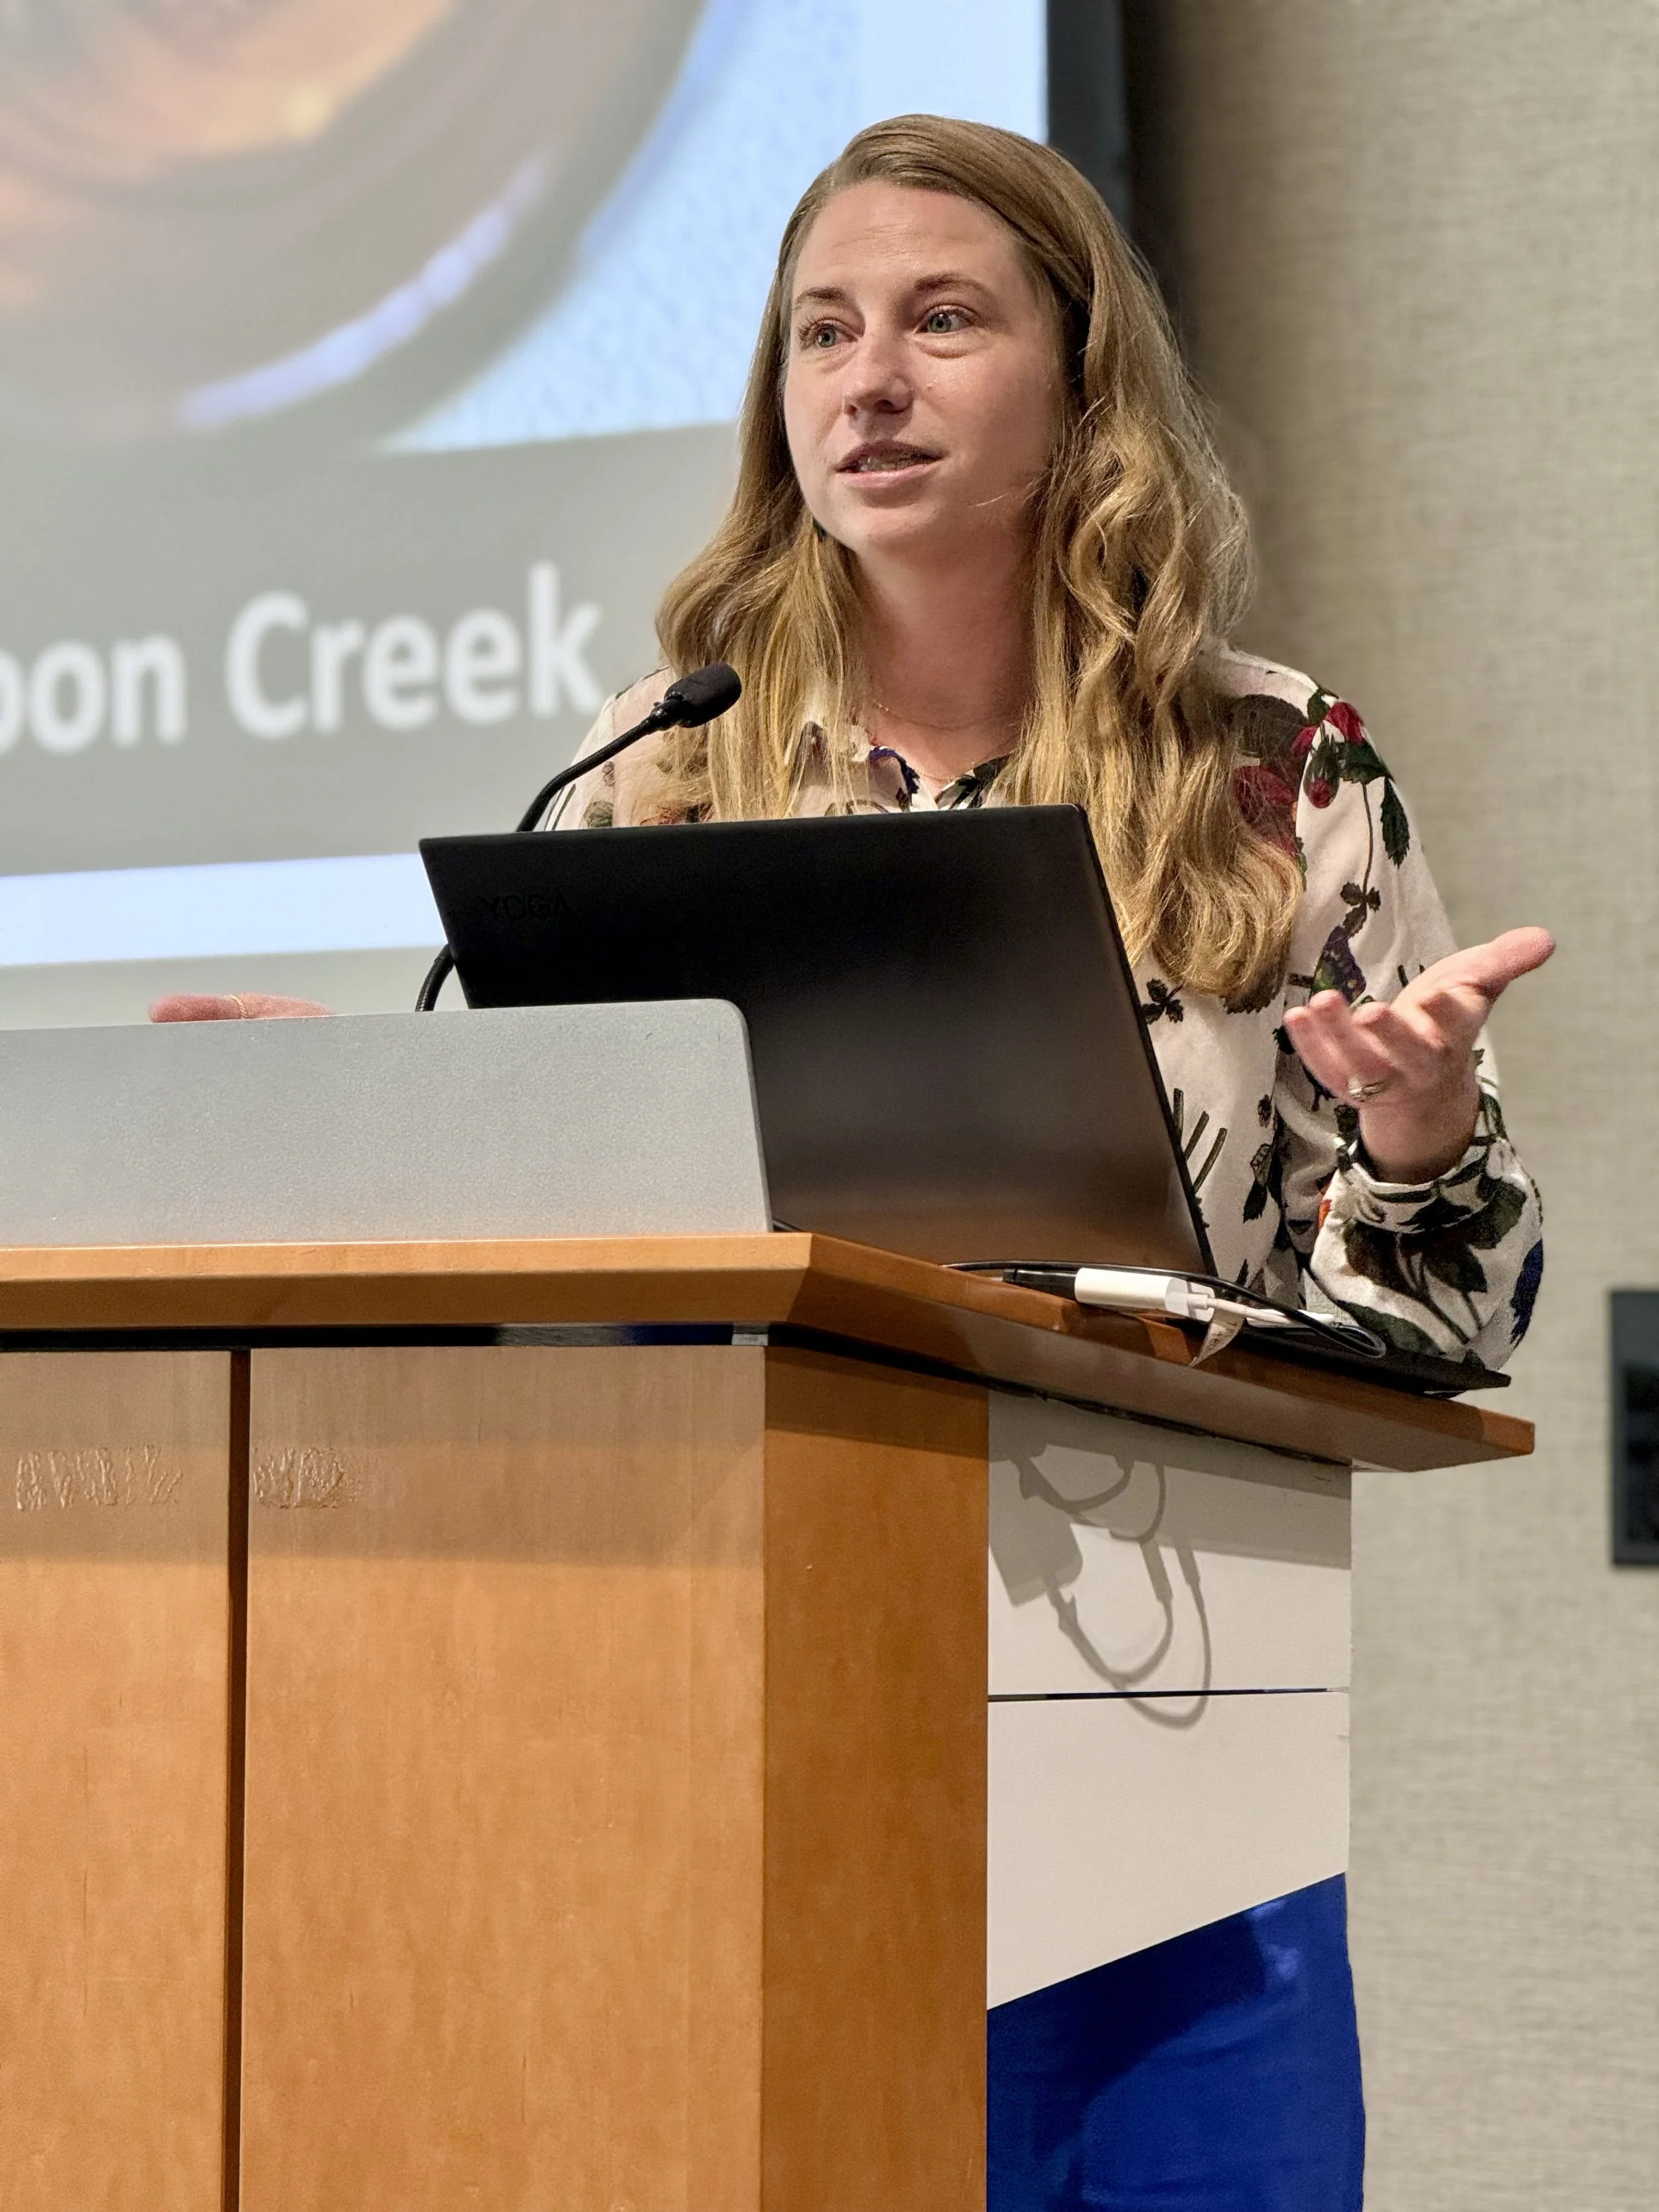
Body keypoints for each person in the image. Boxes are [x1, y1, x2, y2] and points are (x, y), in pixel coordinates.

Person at [156, 115, 1551, 2204]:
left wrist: (1417, 1133)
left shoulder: (1275, 773)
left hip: (1174, 1757)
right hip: (755, 1710)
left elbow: (1436, 1328)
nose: (867, 380)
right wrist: (377, 1106)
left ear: (1078, 382)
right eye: (822, 331)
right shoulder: (665, 772)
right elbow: (571, 1237)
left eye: (940, 320)